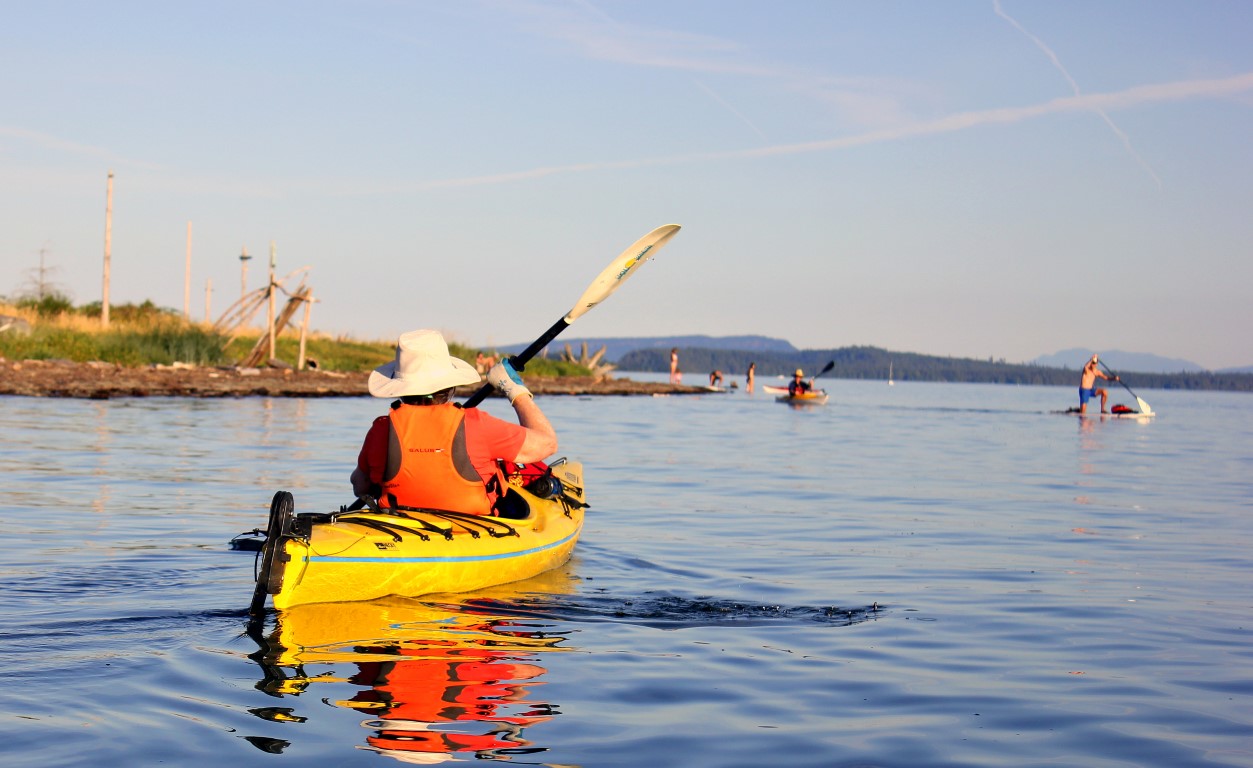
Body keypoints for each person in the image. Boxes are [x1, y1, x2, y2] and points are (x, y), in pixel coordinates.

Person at [350, 329, 557, 515]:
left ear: (400, 388)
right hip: (472, 529)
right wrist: (514, 390)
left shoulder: (381, 429)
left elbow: (360, 486)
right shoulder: (476, 424)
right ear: (449, 386)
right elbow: (547, 443)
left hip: (399, 525)